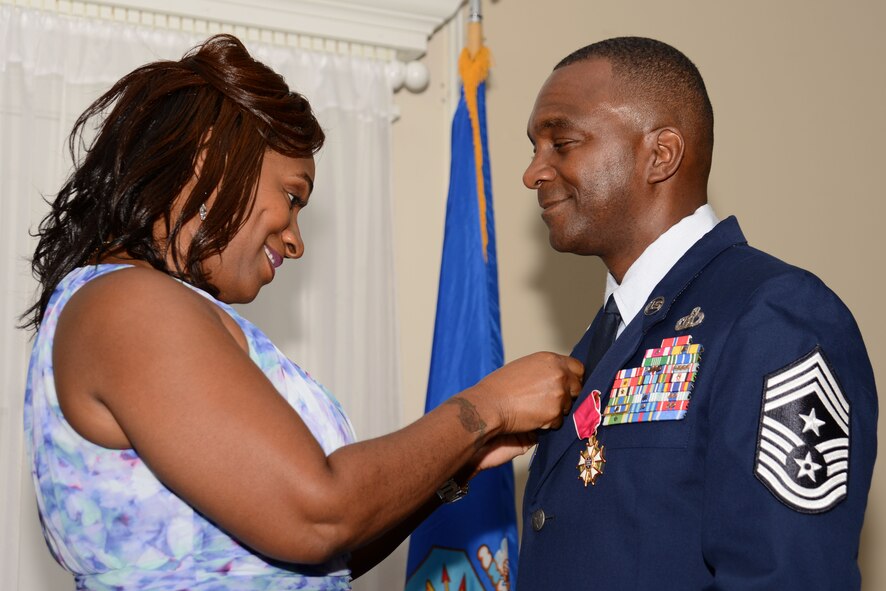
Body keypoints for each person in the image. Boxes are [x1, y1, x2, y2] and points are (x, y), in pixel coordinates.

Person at [21, 34, 584, 591]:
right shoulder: (130, 305)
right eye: (292, 197)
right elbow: (317, 515)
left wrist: (456, 465)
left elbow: (322, 549)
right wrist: (488, 406)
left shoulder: (151, 305)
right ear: (208, 158)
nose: (295, 240)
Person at [517, 36, 877, 589]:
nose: (534, 173)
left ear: (660, 155)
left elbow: (785, 576)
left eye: (561, 143)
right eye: (536, 148)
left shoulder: (775, 317)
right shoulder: (603, 338)